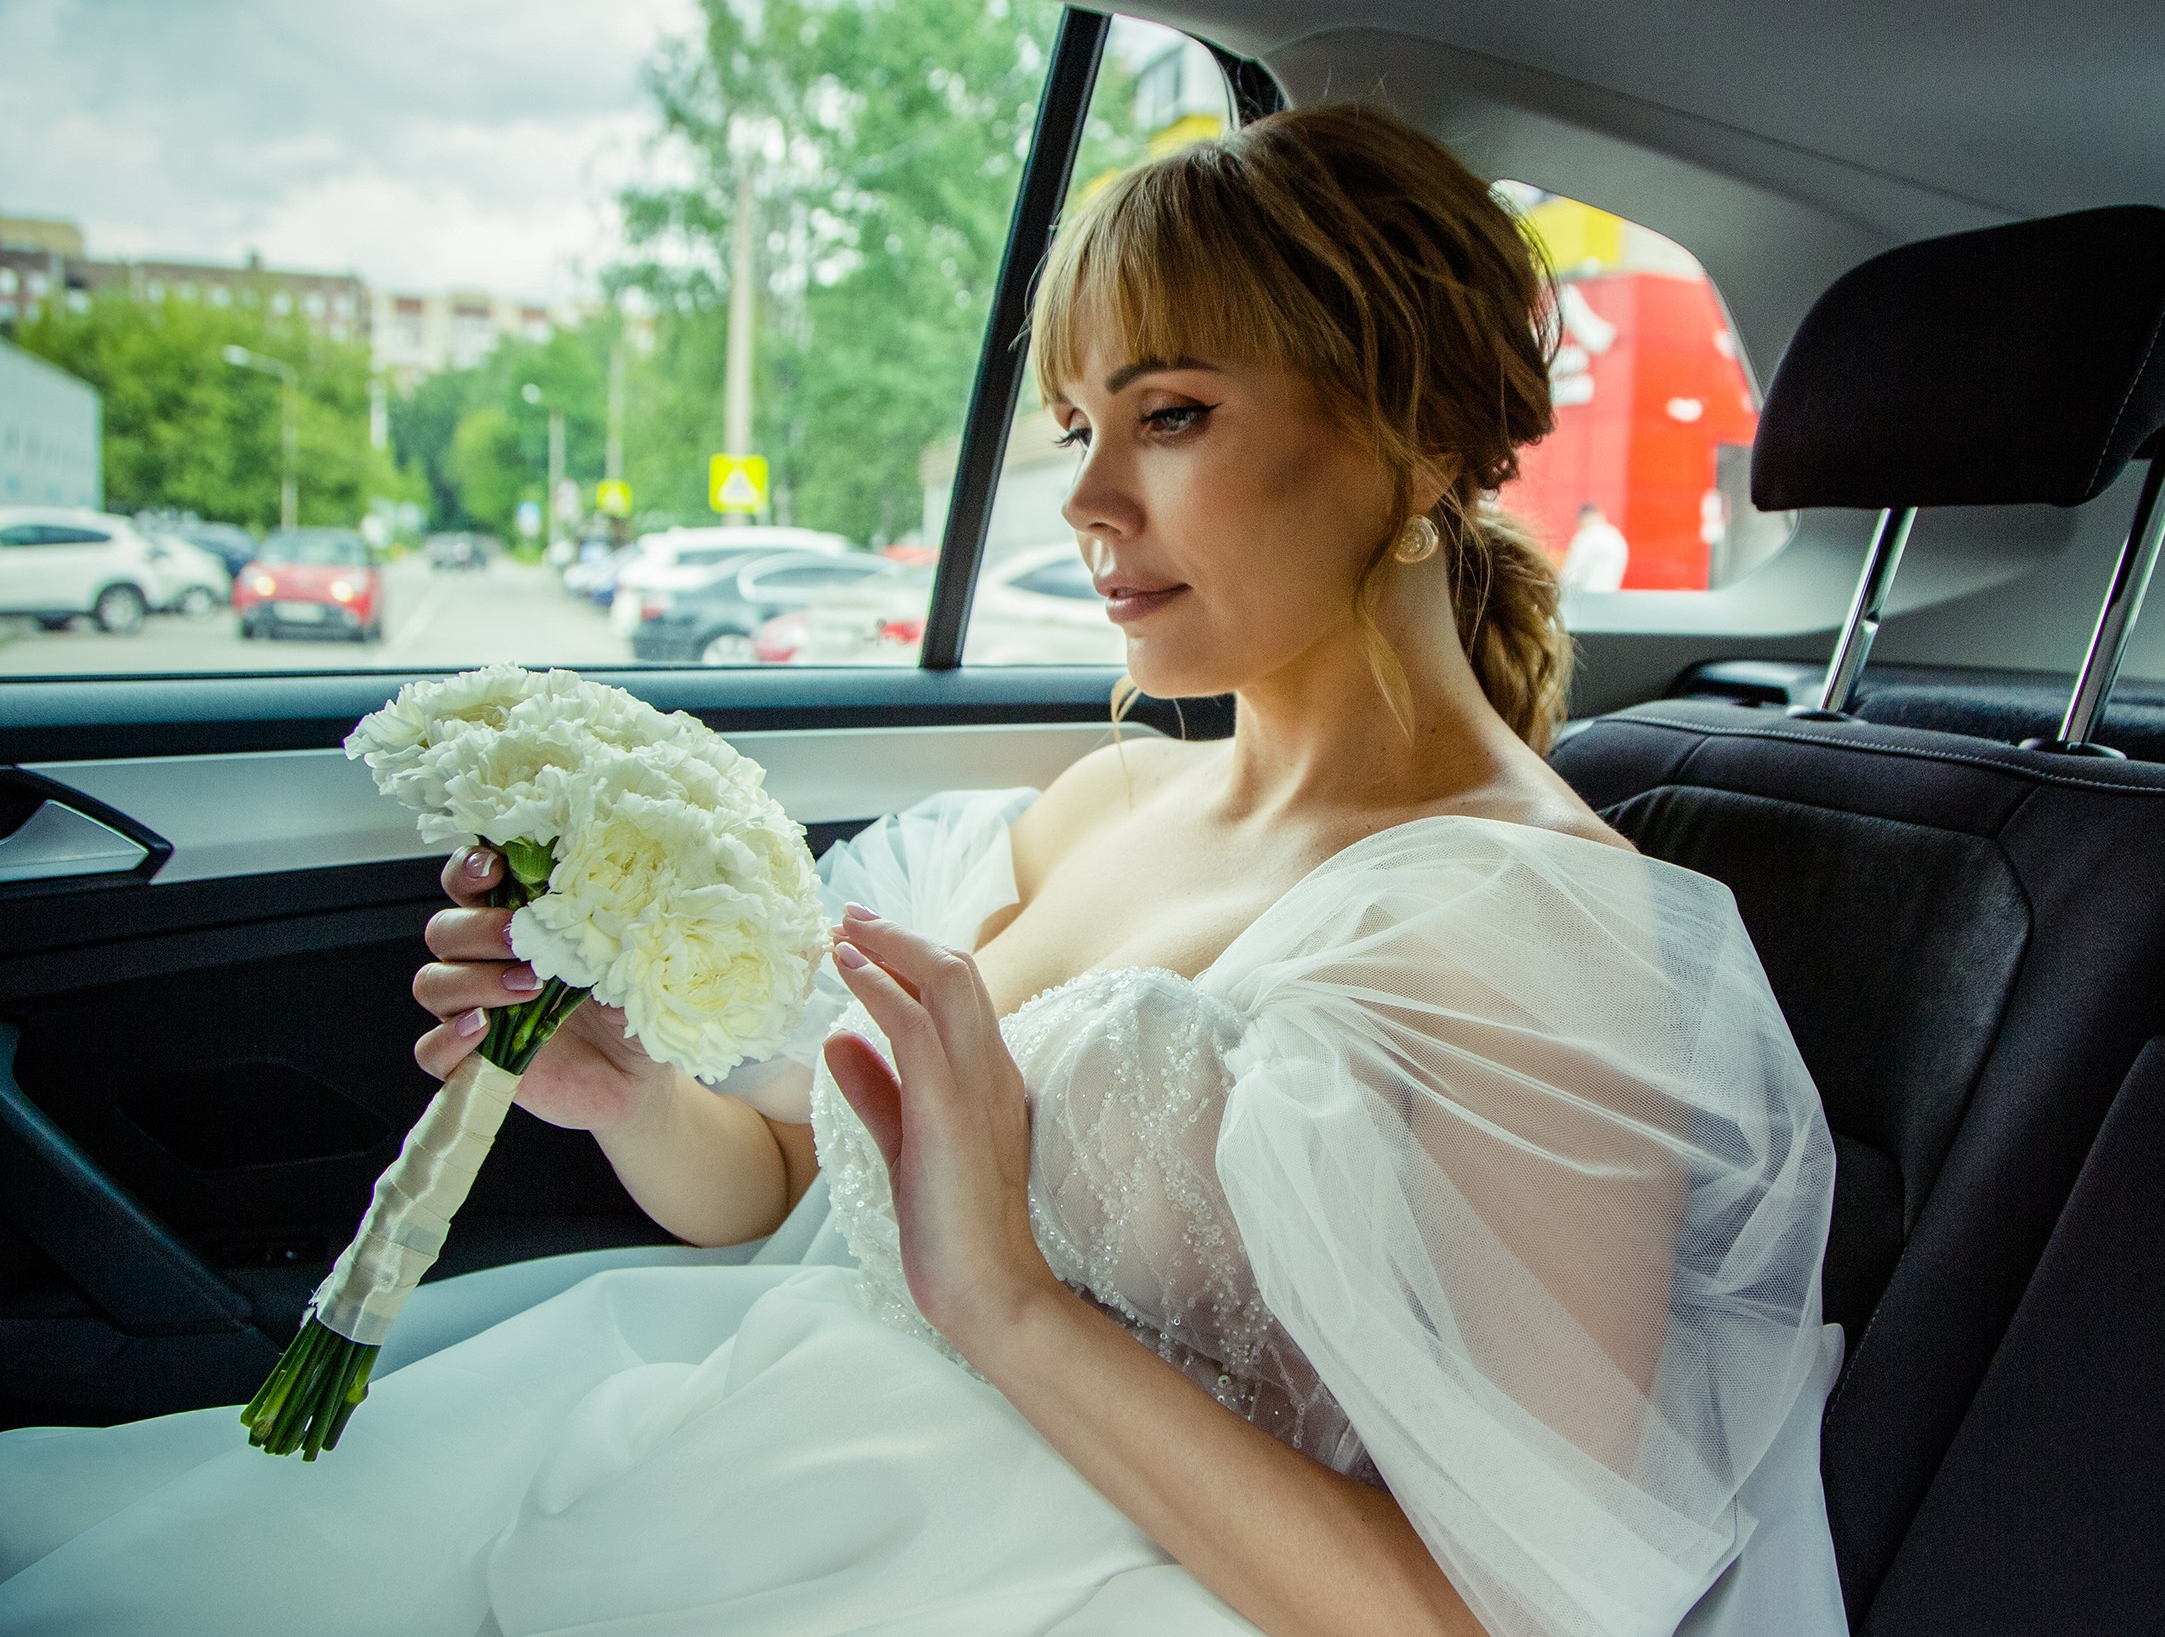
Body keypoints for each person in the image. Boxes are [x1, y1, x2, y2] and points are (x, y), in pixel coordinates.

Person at [0, 105, 1840, 1637]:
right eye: (1081, 429)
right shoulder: (1098, 805)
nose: (1089, 501)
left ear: (1426, 436)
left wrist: (1011, 1311)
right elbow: (790, 1184)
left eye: (1173, 415)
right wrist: (623, 1092)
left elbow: (1508, 1616)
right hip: (735, 1458)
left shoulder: (1539, 935)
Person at [1559, 502, 1630, 591]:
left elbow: (1572, 573)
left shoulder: (1586, 536)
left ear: (1583, 519)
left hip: (1586, 597)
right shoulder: (1616, 537)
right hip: (1609, 595)